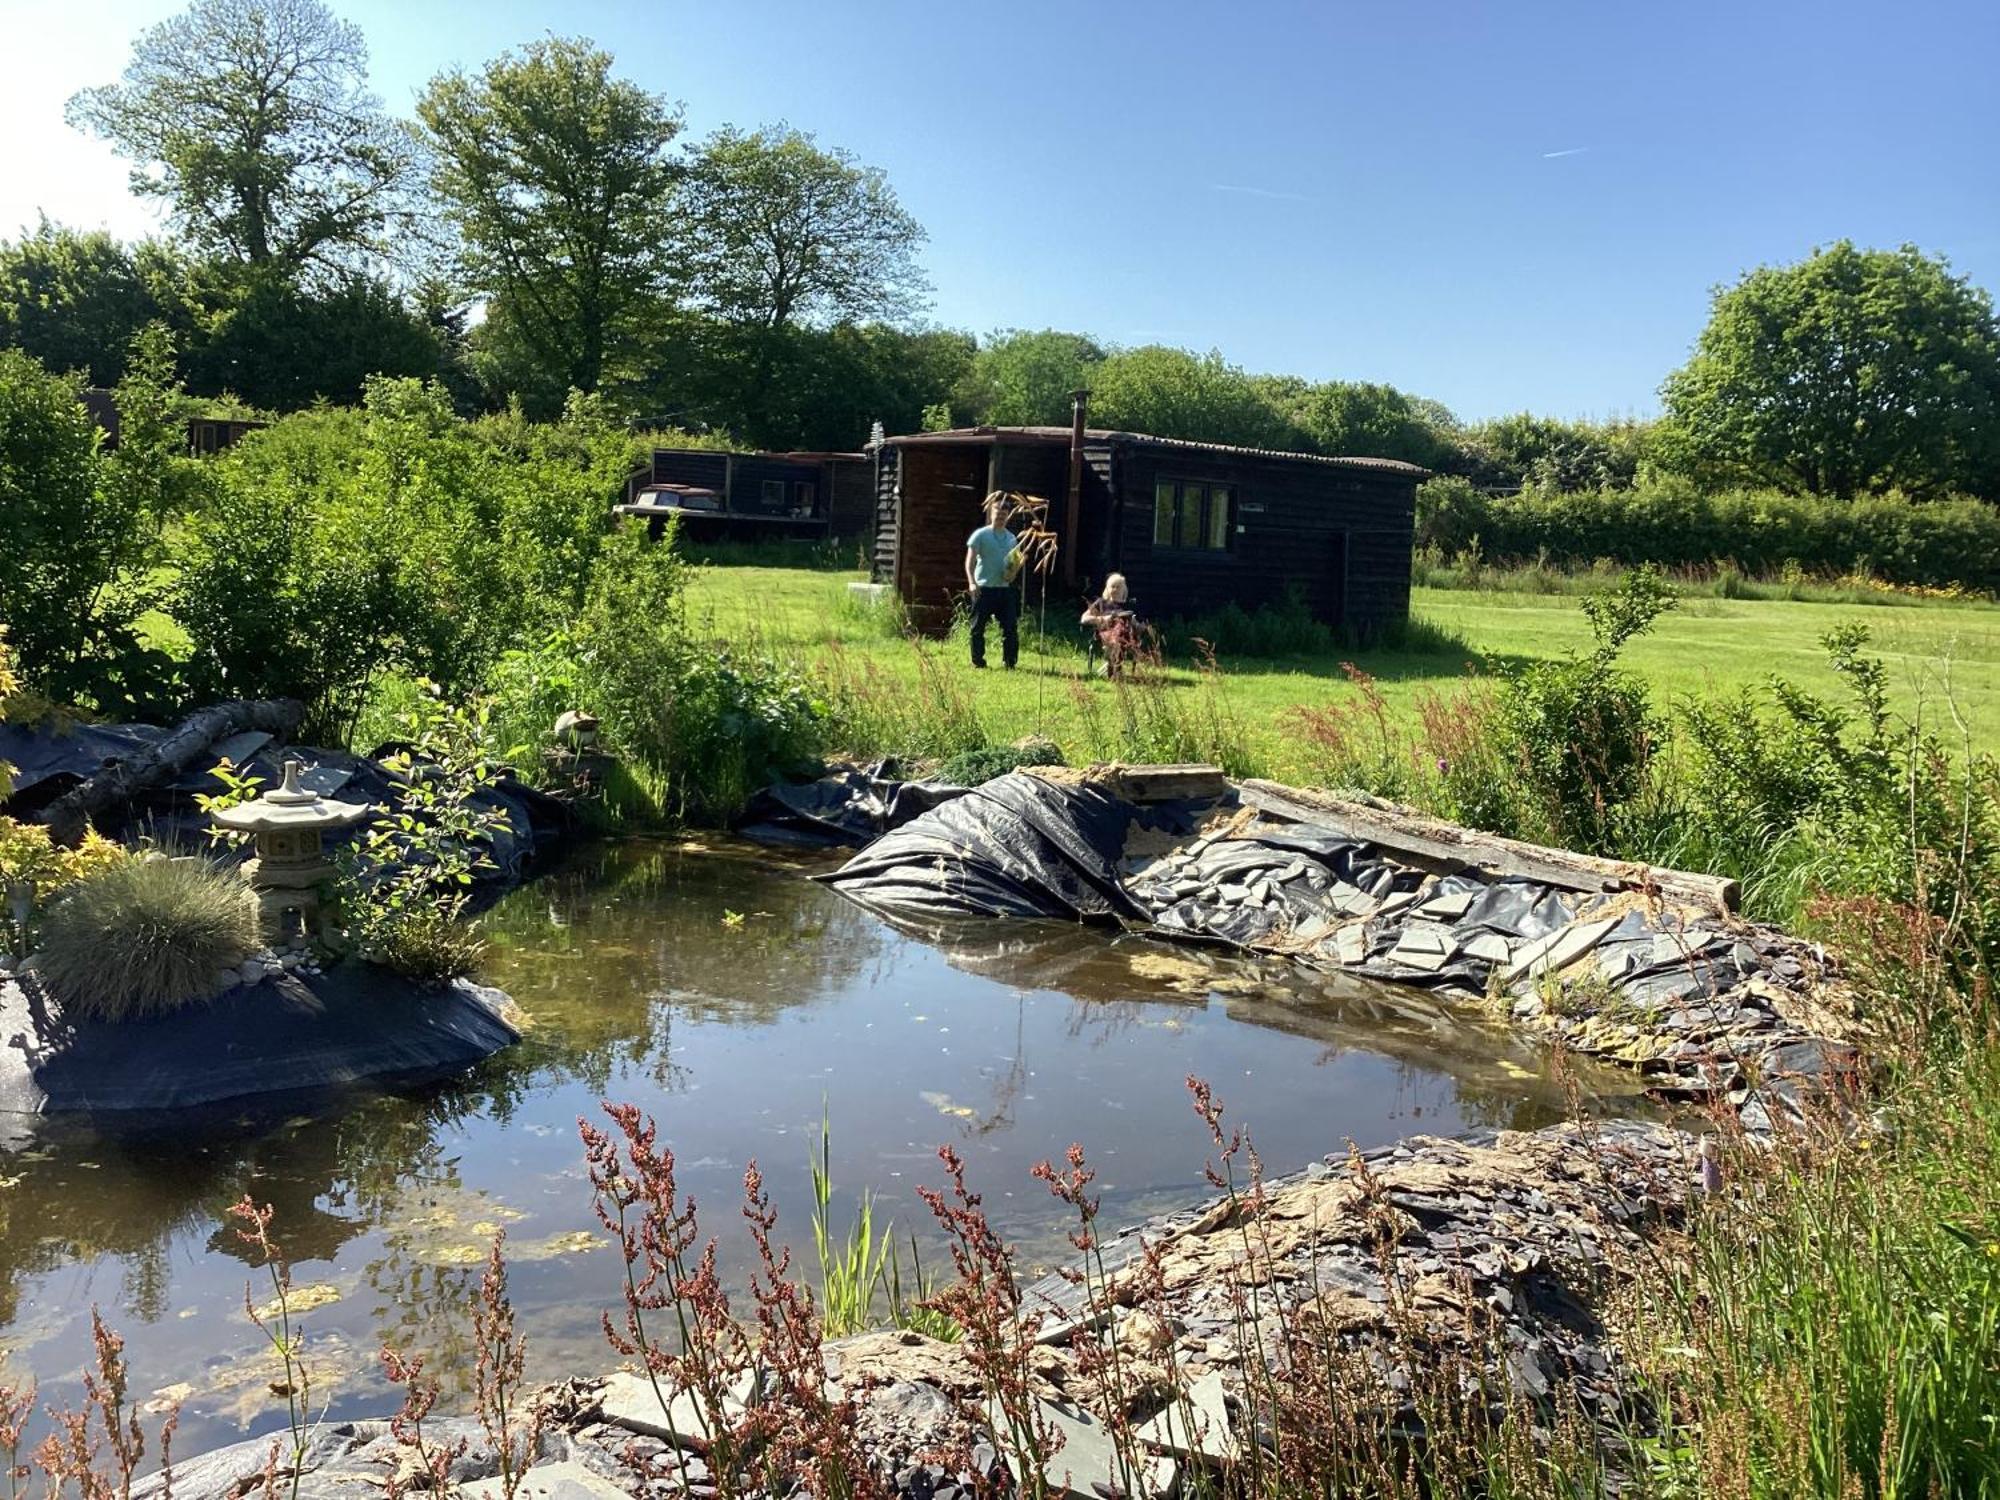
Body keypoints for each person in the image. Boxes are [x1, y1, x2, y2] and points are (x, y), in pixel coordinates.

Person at [964, 496, 1021, 669]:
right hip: (983, 589)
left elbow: (1013, 565)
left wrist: (1012, 574)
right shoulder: (980, 535)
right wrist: (972, 583)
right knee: (977, 628)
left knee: (1010, 627)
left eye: (1004, 515)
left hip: (1004, 590)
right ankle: (978, 661)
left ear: (1008, 516)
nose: (1000, 517)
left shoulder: (1012, 539)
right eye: (998, 514)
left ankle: (1010, 662)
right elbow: (970, 561)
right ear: (991, 513)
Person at [1080, 573, 1140, 676]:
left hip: (1125, 634)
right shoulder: (1101, 603)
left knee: (1122, 628)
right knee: (1119, 632)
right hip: (1106, 633)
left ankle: (1113, 667)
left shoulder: (1128, 606)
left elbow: (1137, 626)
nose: (1115, 589)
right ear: (1107, 589)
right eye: (1113, 586)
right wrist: (1103, 619)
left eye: (1118, 587)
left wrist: (1136, 624)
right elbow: (1084, 619)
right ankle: (1115, 668)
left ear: (1124, 590)